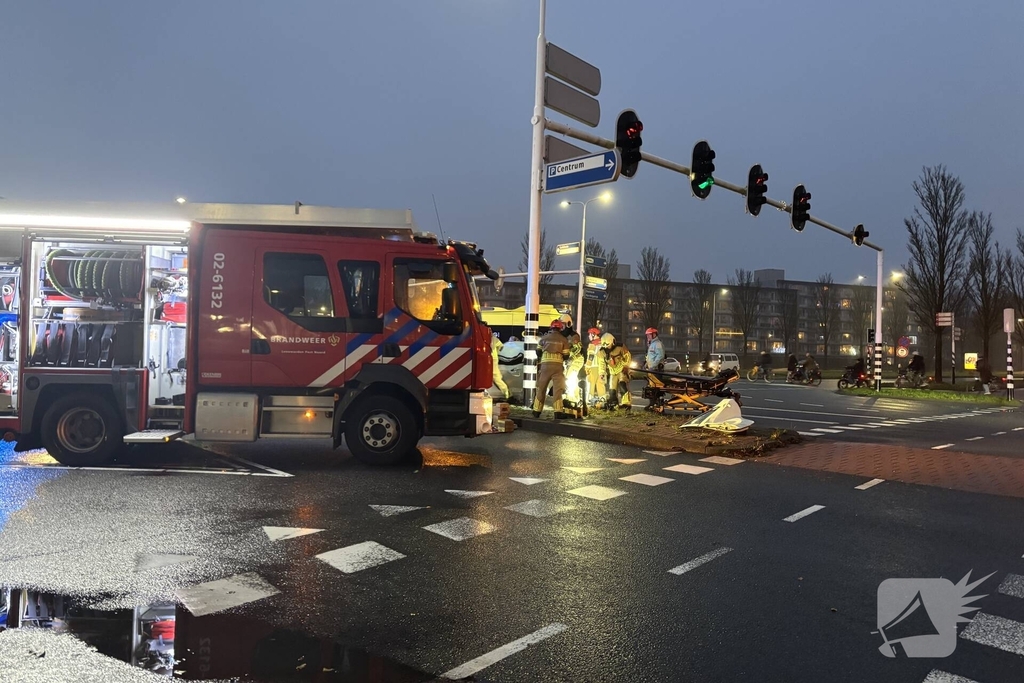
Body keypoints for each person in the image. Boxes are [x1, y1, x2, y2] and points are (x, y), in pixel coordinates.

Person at [533, 320, 570, 418]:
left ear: (551, 327)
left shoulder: (544, 338)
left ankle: (536, 411)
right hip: (557, 367)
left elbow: (538, 352)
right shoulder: (563, 339)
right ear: (560, 328)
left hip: (545, 366)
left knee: (542, 388)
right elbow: (566, 355)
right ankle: (558, 412)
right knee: (558, 390)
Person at [601, 332, 632, 410]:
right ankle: (613, 402)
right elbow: (601, 363)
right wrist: (602, 372)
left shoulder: (620, 347)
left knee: (622, 386)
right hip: (612, 371)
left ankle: (626, 404)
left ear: (613, 342)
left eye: (608, 346)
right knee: (612, 388)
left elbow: (627, 356)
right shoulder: (602, 351)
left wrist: (626, 366)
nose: (607, 348)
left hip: (621, 370)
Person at [585, 327, 605, 403]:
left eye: (590, 334)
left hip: (593, 367)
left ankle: (589, 399)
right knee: (600, 383)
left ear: (593, 334)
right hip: (601, 368)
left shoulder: (592, 344)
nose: (589, 336)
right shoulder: (603, 343)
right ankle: (602, 399)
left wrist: (587, 367)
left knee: (590, 383)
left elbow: (590, 357)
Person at [490, 332, 509, 400]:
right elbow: (501, 346)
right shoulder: (494, 338)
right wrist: (497, 352)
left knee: (496, 376)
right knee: (496, 376)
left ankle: (506, 393)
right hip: (494, 358)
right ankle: (506, 392)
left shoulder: (486, 338)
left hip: (490, 358)